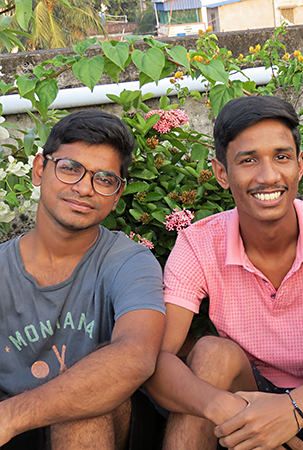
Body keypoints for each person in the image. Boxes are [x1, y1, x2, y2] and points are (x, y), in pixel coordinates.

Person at [145, 95, 303, 449]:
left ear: (299, 166)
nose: (268, 176)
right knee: (212, 354)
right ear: (221, 173)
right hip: (247, 398)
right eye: (248, 160)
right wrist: (226, 407)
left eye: (281, 157)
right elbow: (154, 358)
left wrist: (294, 408)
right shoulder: (198, 243)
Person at [0, 111, 166, 449]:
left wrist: (11, 417)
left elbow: (136, 354)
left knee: (84, 402)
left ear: (117, 195)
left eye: (104, 179)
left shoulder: (129, 261)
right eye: (70, 168)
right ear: (39, 169)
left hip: (94, 430)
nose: (84, 188)